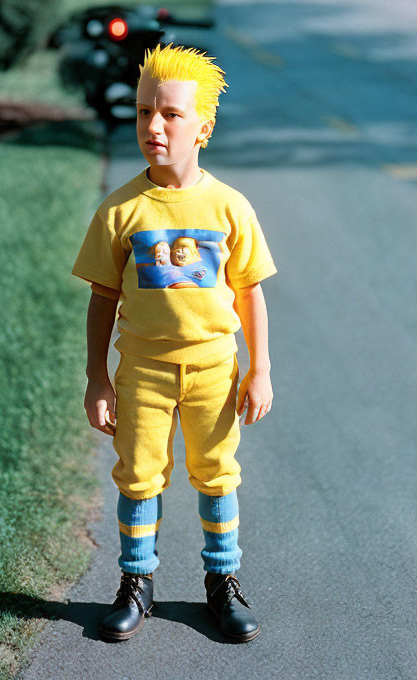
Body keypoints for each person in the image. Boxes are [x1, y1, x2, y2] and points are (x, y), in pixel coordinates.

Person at [71, 44, 276, 643]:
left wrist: (259, 370)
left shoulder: (229, 207)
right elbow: (102, 299)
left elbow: (250, 295)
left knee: (216, 474)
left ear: (204, 128)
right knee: (138, 476)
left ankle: (223, 583)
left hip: (215, 368)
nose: (153, 127)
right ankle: (137, 584)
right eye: (142, 113)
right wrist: (96, 377)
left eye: (170, 114)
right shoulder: (121, 210)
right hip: (143, 371)